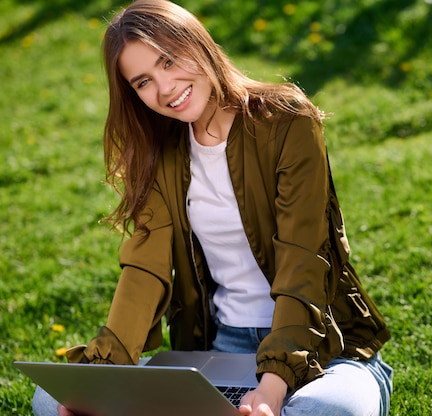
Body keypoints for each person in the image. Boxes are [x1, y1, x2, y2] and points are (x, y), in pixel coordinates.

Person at [32, 0, 392, 415]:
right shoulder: (159, 152)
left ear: (197, 42)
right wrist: (103, 375)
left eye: (169, 61)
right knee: (50, 401)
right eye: (143, 81)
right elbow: (143, 271)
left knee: (328, 410)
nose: (165, 88)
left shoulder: (287, 122)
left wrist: (273, 386)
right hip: (220, 351)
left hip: (326, 347)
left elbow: (304, 257)